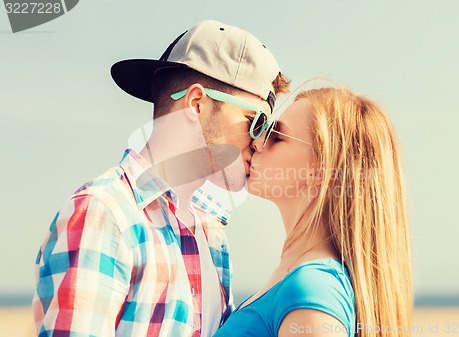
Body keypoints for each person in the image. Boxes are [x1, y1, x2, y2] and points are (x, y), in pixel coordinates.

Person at [32, 20, 290, 337]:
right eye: (256, 121)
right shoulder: (104, 214)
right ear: (197, 105)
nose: (260, 141)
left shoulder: (211, 233)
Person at [213, 86, 413, 337]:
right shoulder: (302, 281)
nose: (257, 142)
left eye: (276, 136)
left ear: (321, 171)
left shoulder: (311, 289)